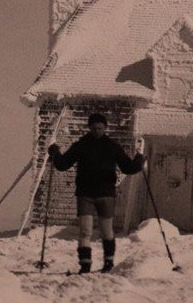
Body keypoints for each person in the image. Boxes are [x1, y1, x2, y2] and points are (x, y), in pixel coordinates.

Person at [48, 113, 145, 273]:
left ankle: (108, 263)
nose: (97, 131)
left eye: (100, 128)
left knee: (106, 231)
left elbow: (127, 167)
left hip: (106, 194)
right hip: (85, 194)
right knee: (85, 231)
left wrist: (139, 160)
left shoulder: (112, 147)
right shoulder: (81, 146)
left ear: (105, 128)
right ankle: (85, 265)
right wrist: (55, 153)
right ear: (89, 128)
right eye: (94, 128)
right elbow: (63, 164)